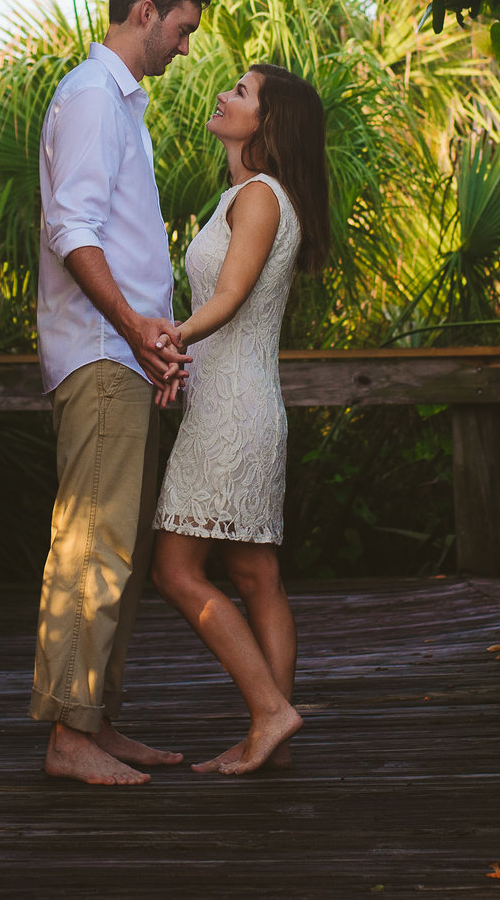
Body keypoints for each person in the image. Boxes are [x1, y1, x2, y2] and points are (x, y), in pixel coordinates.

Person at [30, 0, 210, 785]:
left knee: (124, 550)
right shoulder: (93, 97)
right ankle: (68, 736)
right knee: (93, 546)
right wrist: (136, 330)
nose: (184, 46)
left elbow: (124, 244)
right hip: (102, 358)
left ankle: (96, 721)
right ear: (145, 11)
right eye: (181, 29)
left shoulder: (121, 108)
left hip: (127, 358)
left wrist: (156, 340)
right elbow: (74, 233)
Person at [150, 61, 332, 776]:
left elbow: (227, 297)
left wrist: (169, 341)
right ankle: (272, 729)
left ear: (268, 121)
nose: (225, 95)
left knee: (175, 568)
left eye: (241, 91)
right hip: (239, 401)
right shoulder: (254, 195)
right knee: (257, 574)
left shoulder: (258, 196)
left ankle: (269, 710)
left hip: (231, 412)